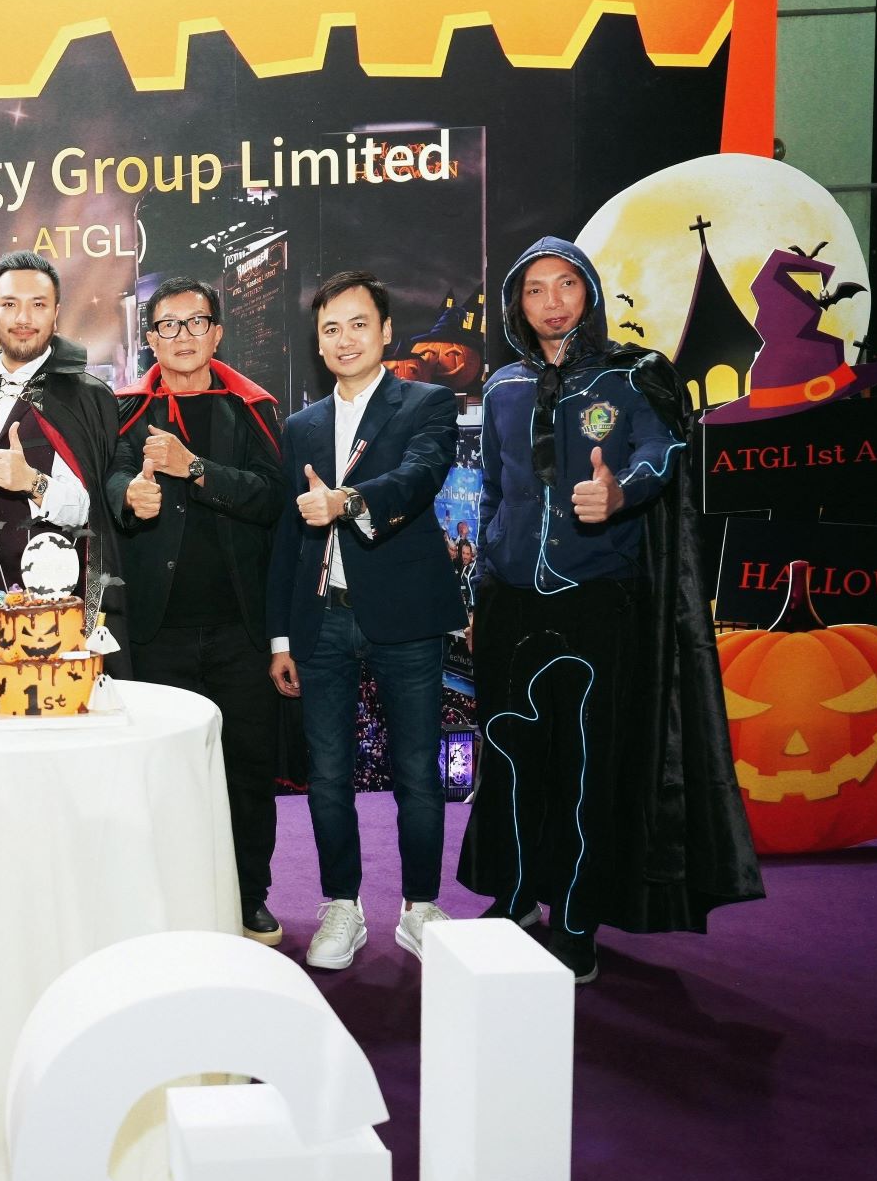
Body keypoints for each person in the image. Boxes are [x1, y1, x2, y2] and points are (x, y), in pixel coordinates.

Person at [457, 237, 762, 983]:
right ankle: (523, 891)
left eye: (566, 284)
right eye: (535, 289)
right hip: (512, 607)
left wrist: (620, 491)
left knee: (591, 767)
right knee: (516, 761)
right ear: (516, 305)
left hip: (600, 604)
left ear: (589, 293)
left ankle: (580, 915)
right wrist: (480, 590)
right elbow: (493, 492)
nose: (552, 300)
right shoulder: (501, 389)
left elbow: (663, 456)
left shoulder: (631, 378)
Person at [267, 270, 466, 970]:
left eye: (359, 324)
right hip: (322, 622)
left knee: (417, 768)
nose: (345, 339)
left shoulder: (427, 402)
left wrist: (347, 501)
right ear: (318, 343)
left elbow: (421, 475)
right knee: (328, 773)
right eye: (331, 328)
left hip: (405, 615)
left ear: (385, 332)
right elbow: (288, 539)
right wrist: (281, 635)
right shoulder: (301, 426)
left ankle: (419, 905)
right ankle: (341, 906)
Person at [106, 276, 288, 944]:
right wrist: (132, 495)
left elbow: (273, 499)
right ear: (149, 338)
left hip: (240, 627)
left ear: (216, 332)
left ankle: (249, 896)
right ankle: (170, 902)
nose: (182, 337)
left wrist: (197, 469)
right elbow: (112, 476)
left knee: (246, 768)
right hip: (157, 631)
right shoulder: (126, 408)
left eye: (195, 323)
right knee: (162, 776)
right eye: (167, 326)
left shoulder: (254, 410)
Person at [0, 252, 123, 660]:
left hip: (62, 621)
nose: (23, 317)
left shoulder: (89, 397)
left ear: (56, 312)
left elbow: (99, 515)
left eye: (38, 304)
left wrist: (33, 484)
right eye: (9, 304)